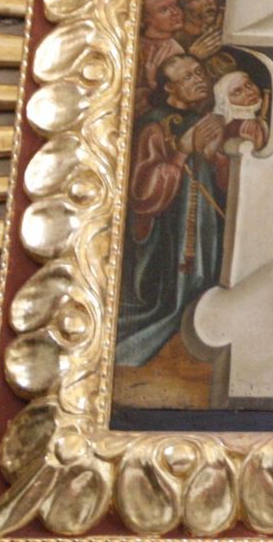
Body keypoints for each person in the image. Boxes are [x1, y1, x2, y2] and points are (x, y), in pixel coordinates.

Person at [116, 53, 230, 367]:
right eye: (188, 77)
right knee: (167, 302)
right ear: (170, 88)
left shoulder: (202, 120)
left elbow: (218, 179)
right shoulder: (153, 125)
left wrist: (218, 158)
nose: (199, 80)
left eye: (199, 72)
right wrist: (181, 152)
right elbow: (142, 193)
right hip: (167, 232)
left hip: (202, 224)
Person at [138, 0, 187, 94]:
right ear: (147, 18)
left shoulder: (176, 49)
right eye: (164, 10)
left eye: (175, 5)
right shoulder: (135, 46)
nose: (175, 12)